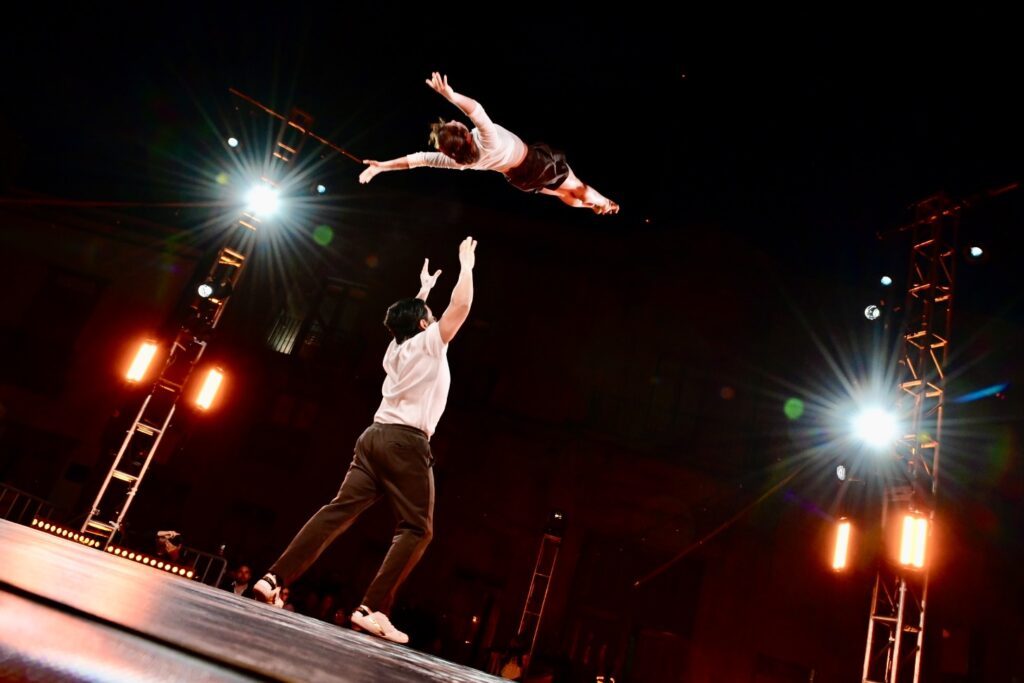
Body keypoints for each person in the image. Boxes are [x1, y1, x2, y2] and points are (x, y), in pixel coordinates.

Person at [254, 236, 478, 644]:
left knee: (337, 511)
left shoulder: (395, 349)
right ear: (424, 325)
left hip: (372, 439)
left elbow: (406, 322)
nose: (433, 321)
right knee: (417, 529)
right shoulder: (430, 343)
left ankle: (274, 578)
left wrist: (423, 293)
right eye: (429, 317)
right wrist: (467, 267)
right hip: (406, 443)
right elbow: (460, 308)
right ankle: (372, 608)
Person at [359, 73, 619, 215]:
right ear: (465, 134)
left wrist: (382, 166)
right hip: (535, 163)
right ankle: (605, 203)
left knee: (562, 194)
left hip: (519, 180)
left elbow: (418, 159)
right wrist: (451, 96)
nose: (455, 120)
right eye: (454, 123)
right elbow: (475, 109)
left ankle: (590, 206)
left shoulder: (459, 161)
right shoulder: (486, 138)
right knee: (576, 184)